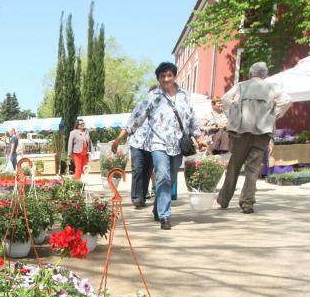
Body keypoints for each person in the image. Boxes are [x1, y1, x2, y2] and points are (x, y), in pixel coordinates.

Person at [112, 62, 204, 230]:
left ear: (175, 76)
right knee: (162, 175)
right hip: (158, 143)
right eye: (162, 76)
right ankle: (165, 215)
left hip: (178, 145)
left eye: (169, 75)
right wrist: (119, 138)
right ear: (158, 78)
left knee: (171, 177)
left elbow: (192, 120)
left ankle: (158, 206)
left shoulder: (184, 96)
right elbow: (136, 118)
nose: (166, 79)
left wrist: (199, 139)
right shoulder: (153, 96)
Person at [218, 62, 292, 214]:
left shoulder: (240, 86)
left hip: (240, 131)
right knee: (253, 169)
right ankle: (247, 203)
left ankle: (224, 200)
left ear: (251, 74)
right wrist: (273, 116)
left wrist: (231, 116)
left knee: (234, 166)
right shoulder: (272, 87)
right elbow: (287, 100)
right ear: (265, 75)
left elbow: (225, 99)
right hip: (262, 132)